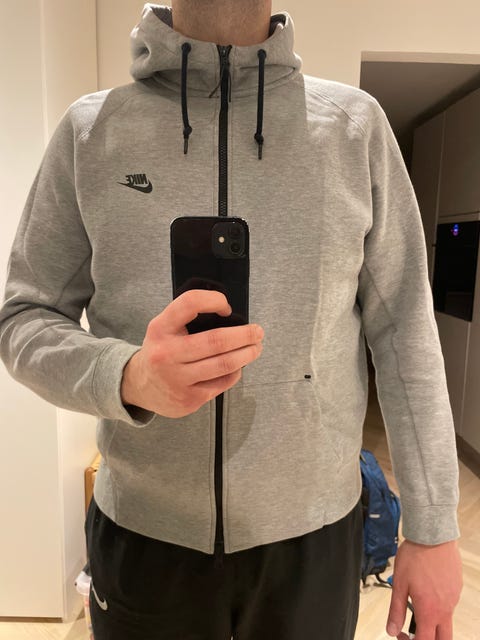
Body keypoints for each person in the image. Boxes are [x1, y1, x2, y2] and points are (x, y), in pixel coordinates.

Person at [0, 1, 462, 638]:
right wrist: (128, 375)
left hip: (314, 538)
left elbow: (405, 331)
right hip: (145, 537)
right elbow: (24, 318)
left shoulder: (355, 128)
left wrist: (434, 530)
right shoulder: (90, 131)